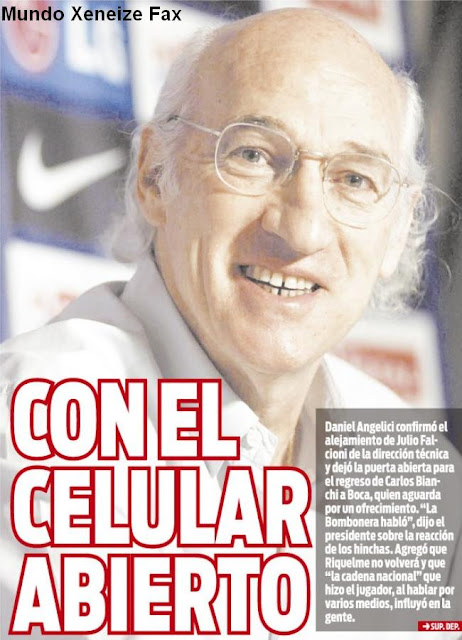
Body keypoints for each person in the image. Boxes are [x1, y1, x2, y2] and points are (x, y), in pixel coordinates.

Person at [1, 8, 461, 639]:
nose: (302, 229)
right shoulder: (40, 429)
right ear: (154, 175)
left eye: (354, 179)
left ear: (399, 228)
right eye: (253, 155)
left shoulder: (403, 464)